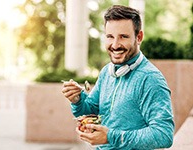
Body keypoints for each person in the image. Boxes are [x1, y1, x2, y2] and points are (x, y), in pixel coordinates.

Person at [62, 5, 174, 150]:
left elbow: (163, 135)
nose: (115, 45)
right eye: (110, 37)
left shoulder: (150, 79)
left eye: (123, 37)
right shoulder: (106, 72)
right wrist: (77, 99)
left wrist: (110, 137)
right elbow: (90, 110)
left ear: (138, 37)